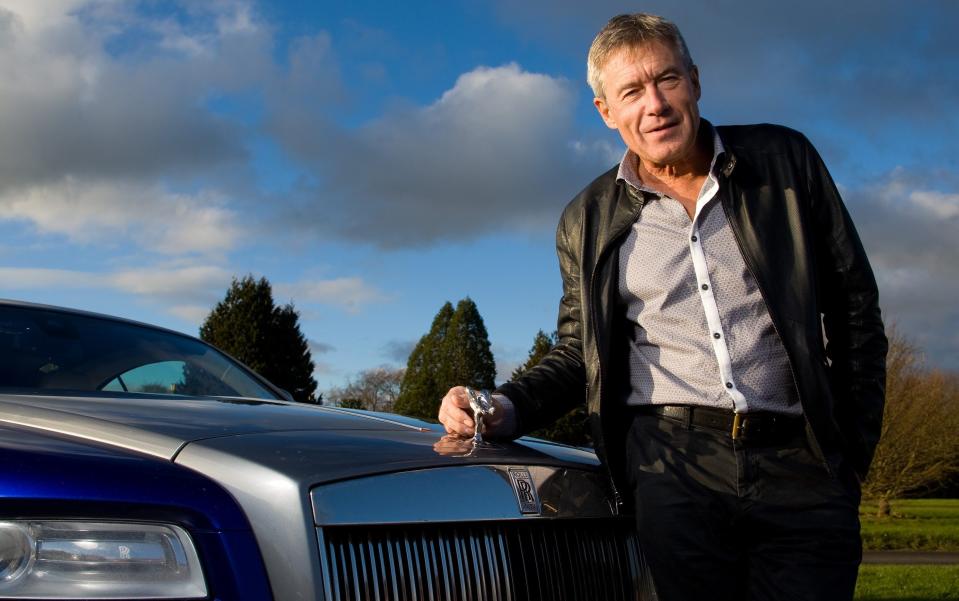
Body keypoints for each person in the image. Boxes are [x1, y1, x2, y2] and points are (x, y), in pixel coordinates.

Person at [438, 13, 887, 601]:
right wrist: (504, 404)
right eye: (631, 92)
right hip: (673, 470)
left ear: (695, 82)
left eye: (667, 80)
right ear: (606, 111)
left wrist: (850, 453)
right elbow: (579, 352)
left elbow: (854, 307)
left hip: (802, 465)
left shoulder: (785, 160)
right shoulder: (586, 218)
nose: (655, 104)